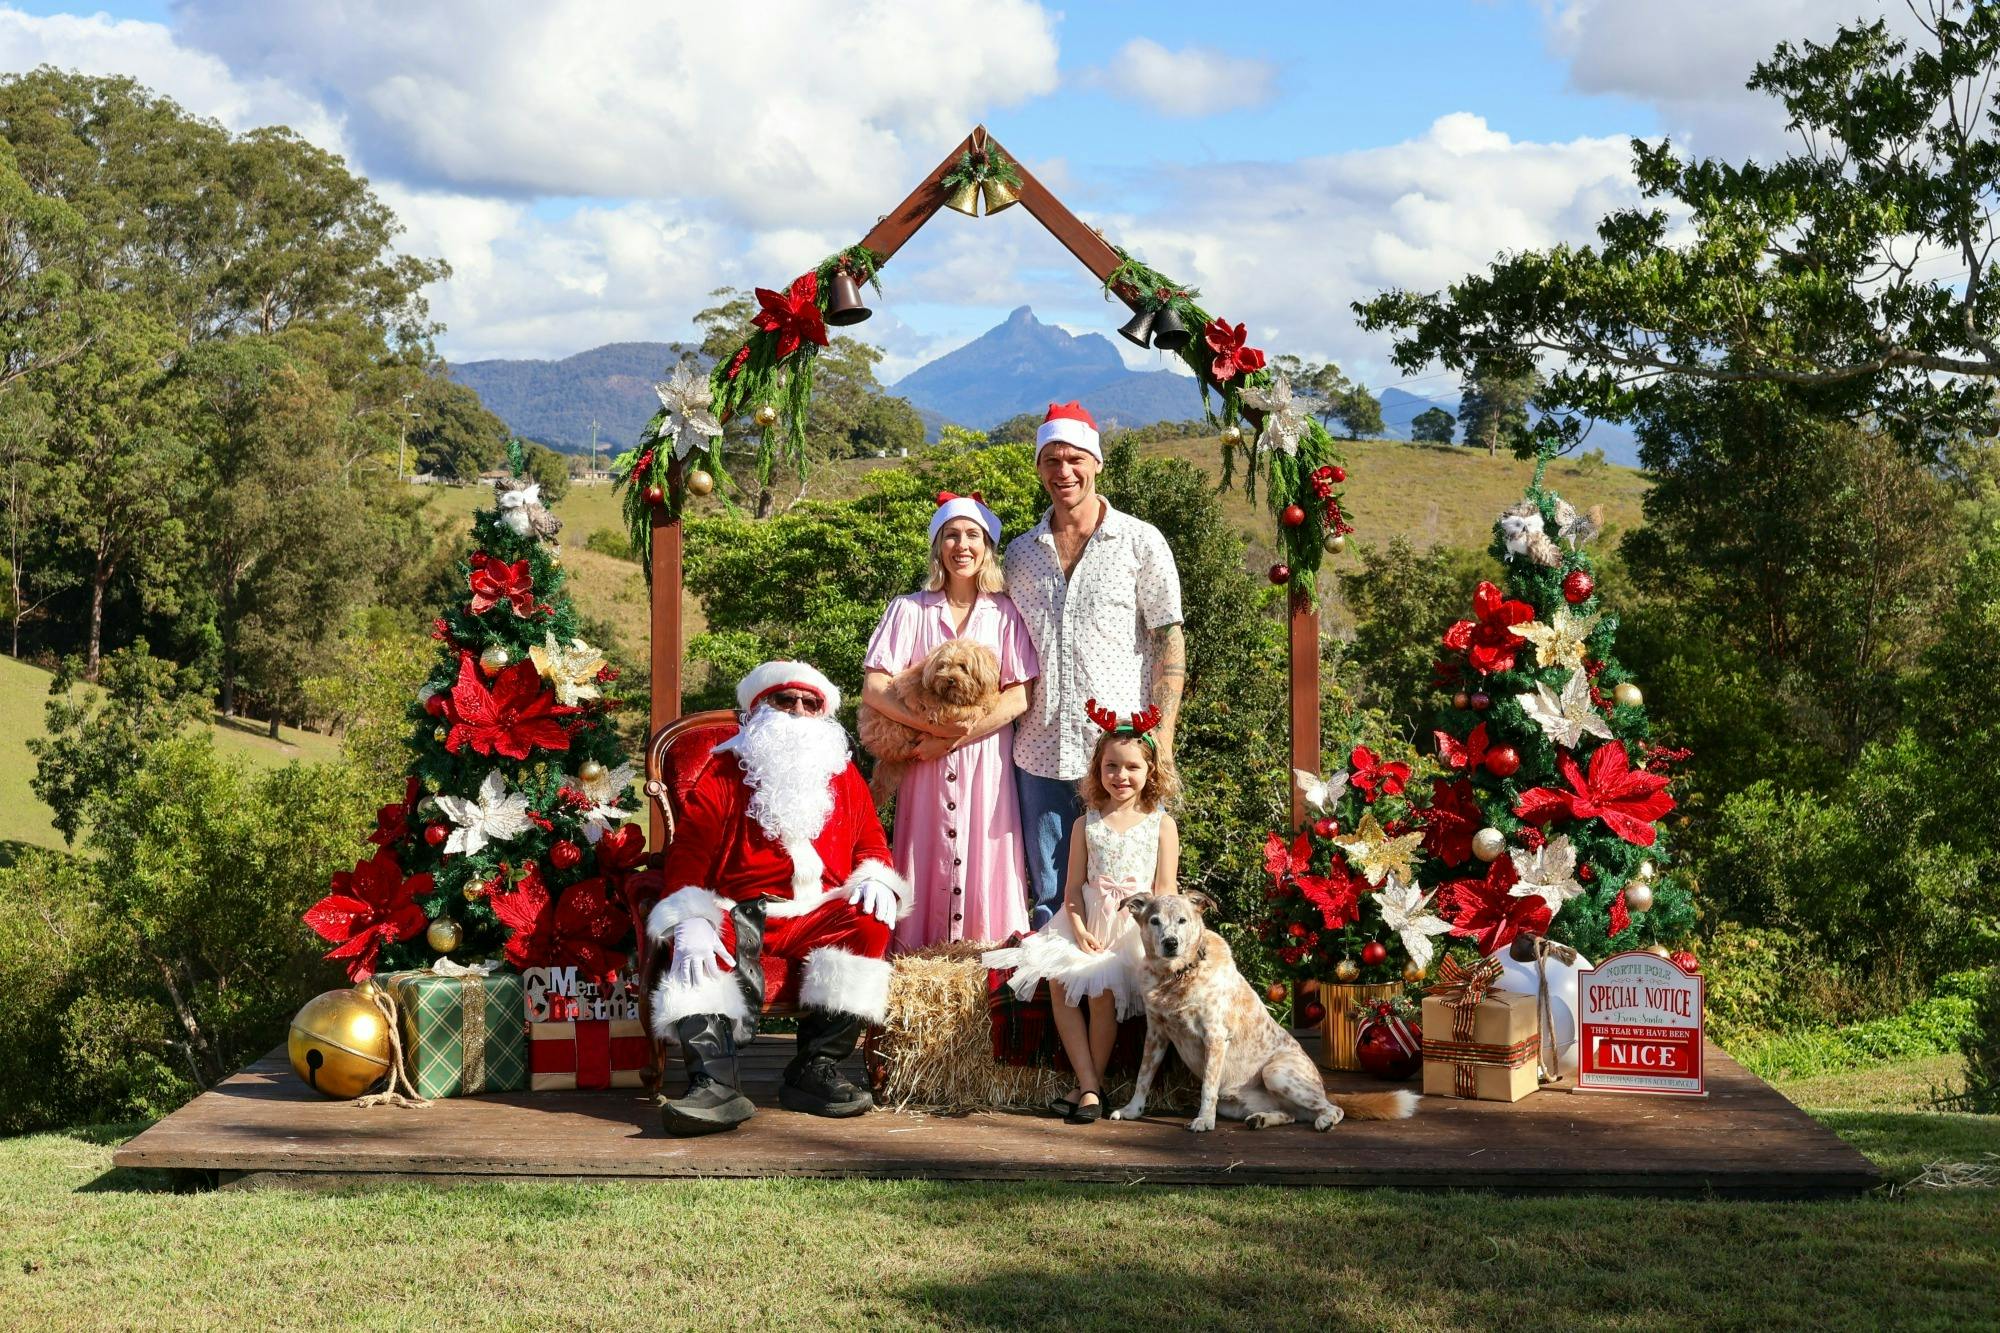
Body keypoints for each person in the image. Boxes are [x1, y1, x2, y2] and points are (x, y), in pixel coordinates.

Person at [645, 660, 912, 1136]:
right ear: (758, 710)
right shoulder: (725, 772)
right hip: (743, 914)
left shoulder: (843, 775)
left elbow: (871, 840)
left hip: (816, 914)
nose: (798, 711)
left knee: (870, 919)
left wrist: (875, 876)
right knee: (697, 939)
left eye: (811, 704)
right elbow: (688, 851)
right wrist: (691, 916)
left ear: (824, 716)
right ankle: (714, 1085)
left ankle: (815, 1071)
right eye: (784, 700)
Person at [1006, 401, 1185, 930]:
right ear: (1039, 468)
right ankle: (1058, 1010)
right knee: (1048, 897)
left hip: (1119, 756)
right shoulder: (1018, 554)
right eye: (1051, 460)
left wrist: (1165, 738)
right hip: (1038, 750)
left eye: (1075, 458)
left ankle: (1130, 1009)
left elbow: (1169, 640)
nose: (1064, 471)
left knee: (1133, 895)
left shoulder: (1140, 541)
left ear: (1097, 462)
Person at [982, 704, 1180, 1124]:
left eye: (1131, 767)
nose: (1120, 776)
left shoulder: (1160, 824)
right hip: (1086, 921)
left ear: (1150, 772)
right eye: (1111, 766)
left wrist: (1147, 939)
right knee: (1059, 983)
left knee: (1100, 991)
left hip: (1134, 929)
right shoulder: (1085, 823)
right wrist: (1076, 925)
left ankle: (1086, 1088)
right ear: (1097, 768)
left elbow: (1165, 891)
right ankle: (1090, 1085)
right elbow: (1072, 888)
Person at [862, 492, 1040, 951]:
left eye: (973, 536)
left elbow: (1018, 696)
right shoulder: (908, 610)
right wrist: (936, 736)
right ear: (938, 545)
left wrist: (952, 739)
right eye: (952, 535)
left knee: (986, 859)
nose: (962, 545)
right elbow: (875, 688)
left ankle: (989, 975)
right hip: (920, 762)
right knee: (923, 858)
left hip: (986, 764)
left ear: (987, 548)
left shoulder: (1004, 613)